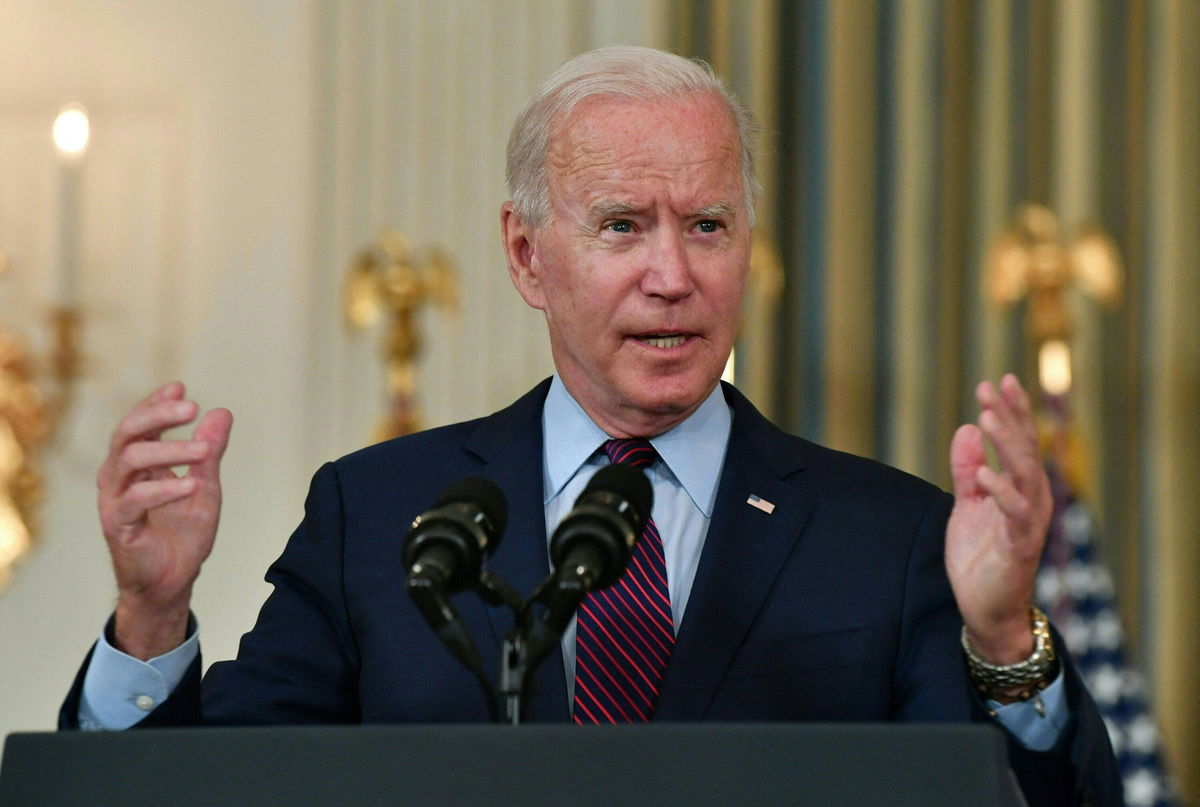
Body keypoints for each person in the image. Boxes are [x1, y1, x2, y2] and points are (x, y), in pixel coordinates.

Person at [60, 46, 1120, 805]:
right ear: (528, 257)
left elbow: (1019, 798)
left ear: (747, 249)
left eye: (707, 226)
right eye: (623, 227)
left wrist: (1000, 643)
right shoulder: (379, 515)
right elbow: (205, 791)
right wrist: (151, 620)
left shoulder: (889, 537)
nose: (673, 276)